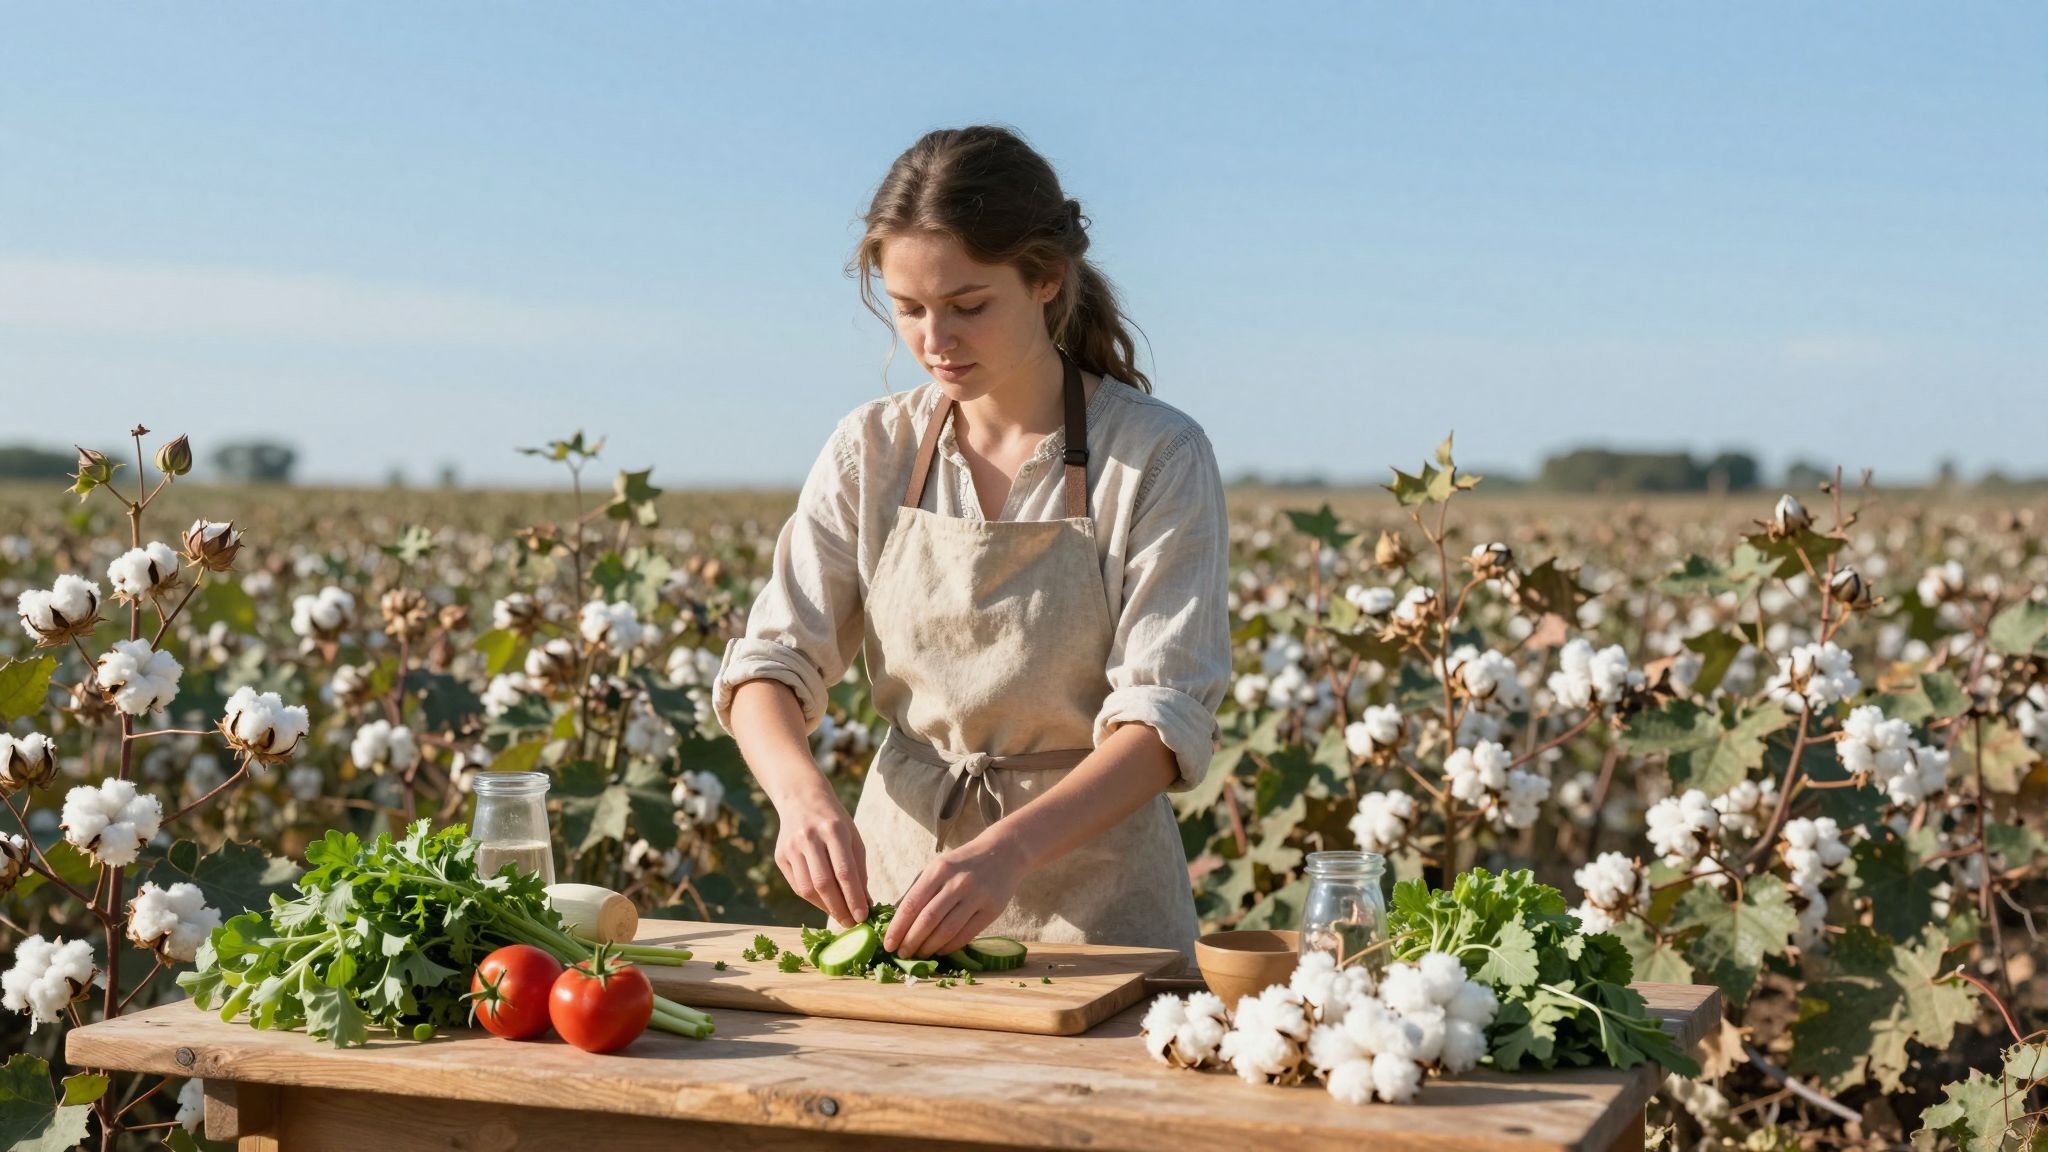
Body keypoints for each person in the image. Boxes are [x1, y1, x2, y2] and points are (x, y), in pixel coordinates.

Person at [712, 125, 1229, 969]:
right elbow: (770, 662)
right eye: (908, 309)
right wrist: (801, 799)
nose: (934, 341)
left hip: (1102, 919)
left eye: (967, 305)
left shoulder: (1156, 456)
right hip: (899, 901)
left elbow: (1165, 721)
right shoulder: (869, 450)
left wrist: (1009, 852)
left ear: (1046, 279)